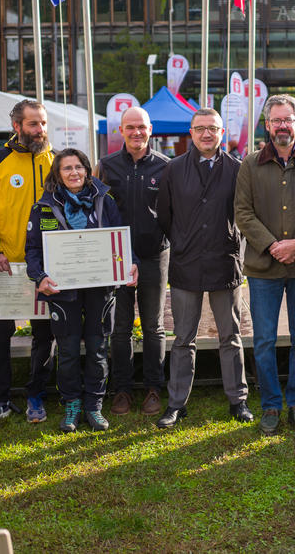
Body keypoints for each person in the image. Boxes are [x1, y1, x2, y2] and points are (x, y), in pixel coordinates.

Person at [235, 95, 295, 435]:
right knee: (263, 340)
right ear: (267, 124)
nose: (282, 125)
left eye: (288, 119)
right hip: (265, 266)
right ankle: (271, 406)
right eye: (276, 120)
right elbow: (242, 213)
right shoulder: (249, 165)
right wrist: (273, 246)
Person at [155, 109, 253, 429]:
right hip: (186, 263)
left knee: (231, 336)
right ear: (191, 133)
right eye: (200, 129)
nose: (206, 134)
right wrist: (182, 242)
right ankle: (176, 404)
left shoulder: (238, 170)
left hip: (225, 262)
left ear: (222, 132)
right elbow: (165, 217)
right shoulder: (173, 169)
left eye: (212, 128)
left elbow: (245, 214)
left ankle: (238, 400)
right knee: (183, 338)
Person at [25, 148, 132, 433]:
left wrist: (128, 265)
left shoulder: (104, 201)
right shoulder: (44, 207)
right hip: (63, 292)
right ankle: (72, 403)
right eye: (67, 168)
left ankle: (94, 405)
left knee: (98, 347)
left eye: (79, 167)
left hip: (99, 288)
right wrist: (40, 277)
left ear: (87, 170)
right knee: (69, 350)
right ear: (58, 175)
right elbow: (33, 250)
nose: (74, 173)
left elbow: (119, 239)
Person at [0, 99, 56, 427]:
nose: (40, 130)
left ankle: (36, 394)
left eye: (44, 124)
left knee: (44, 334)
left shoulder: (57, 160)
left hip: (47, 269)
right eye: (33, 124)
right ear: (17, 127)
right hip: (7, 267)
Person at [97, 106, 170, 417]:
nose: (137, 132)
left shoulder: (167, 166)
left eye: (142, 127)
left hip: (155, 255)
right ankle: (122, 390)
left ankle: (154, 388)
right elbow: (98, 211)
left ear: (150, 129)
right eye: (130, 127)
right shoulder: (107, 166)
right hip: (118, 257)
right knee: (121, 327)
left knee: (154, 326)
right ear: (121, 130)